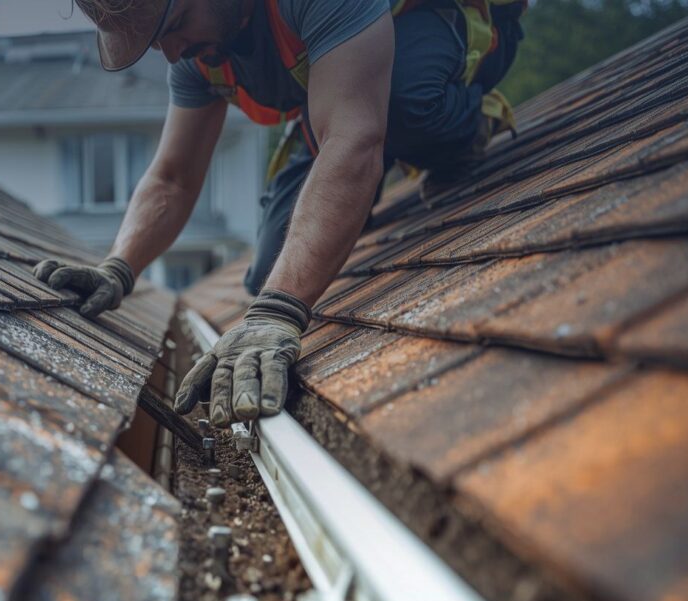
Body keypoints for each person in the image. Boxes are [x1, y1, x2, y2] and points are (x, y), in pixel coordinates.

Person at [34, 0, 524, 427]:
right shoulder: (196, 54)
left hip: (441, 32)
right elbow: (173, 178)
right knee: (273, 267)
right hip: (344, 92)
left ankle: (470, 121)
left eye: (178, 20)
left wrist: (279, 311)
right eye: (158, 38)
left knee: (402, 110)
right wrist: (119, 268)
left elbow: (354, 139)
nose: (172, 51)